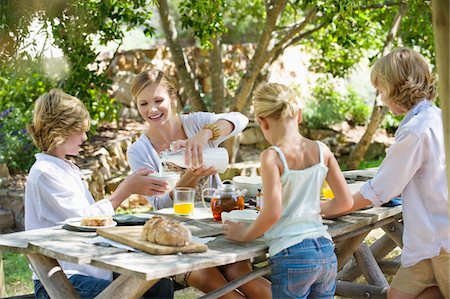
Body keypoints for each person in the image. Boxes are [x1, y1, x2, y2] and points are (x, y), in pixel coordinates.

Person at [127, 69, 271, 298]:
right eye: (143, 103)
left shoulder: (196, 123)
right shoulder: (139, 151)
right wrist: (191, 176)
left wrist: (205, 135)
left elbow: (240, 119)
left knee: (239, 272)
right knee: (210, 280)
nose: (152, 109)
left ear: (173, 98)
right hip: (177, 240)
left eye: (158, 100)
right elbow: (160, 203)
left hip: (216, 227)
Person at [322, 48, 449, 299]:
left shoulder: (416, 130)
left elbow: (378, 191)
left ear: (396, 87)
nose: (380, 98)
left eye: (381, 90)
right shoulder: (436, 118)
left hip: (440, 241)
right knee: (398, 296)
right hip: (429, 240)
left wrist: (324, 208)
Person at [25, 89, 174, 299]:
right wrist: (125, 190)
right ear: (59, 129)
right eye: (80, 130)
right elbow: (85, 222)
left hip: (89, 270)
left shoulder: (66, 168)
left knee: (158, 285)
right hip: (60, 279)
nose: (85, 137)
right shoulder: (44, 173)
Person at [223, 82, 354, 298]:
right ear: (299, 115)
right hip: (325, 250)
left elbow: (272, 212)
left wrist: (244, 234)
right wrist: (311, 207)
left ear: (262, 122)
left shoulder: (273, 156)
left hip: (292, 253)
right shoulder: (322, 150)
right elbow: (345, 202)